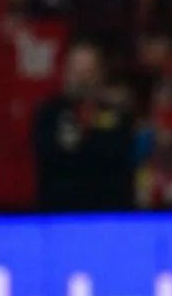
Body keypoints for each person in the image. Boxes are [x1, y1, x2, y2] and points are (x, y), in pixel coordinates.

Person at [32, 43, 135, 211]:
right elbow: (49, 156)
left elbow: (118, 154)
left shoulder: (116, 113)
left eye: (88, 71)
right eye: (76, 71)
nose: (81, 78)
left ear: (100, 74)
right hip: (60, 211)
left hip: (107, 212)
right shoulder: (49, 113)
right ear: (65, 72)